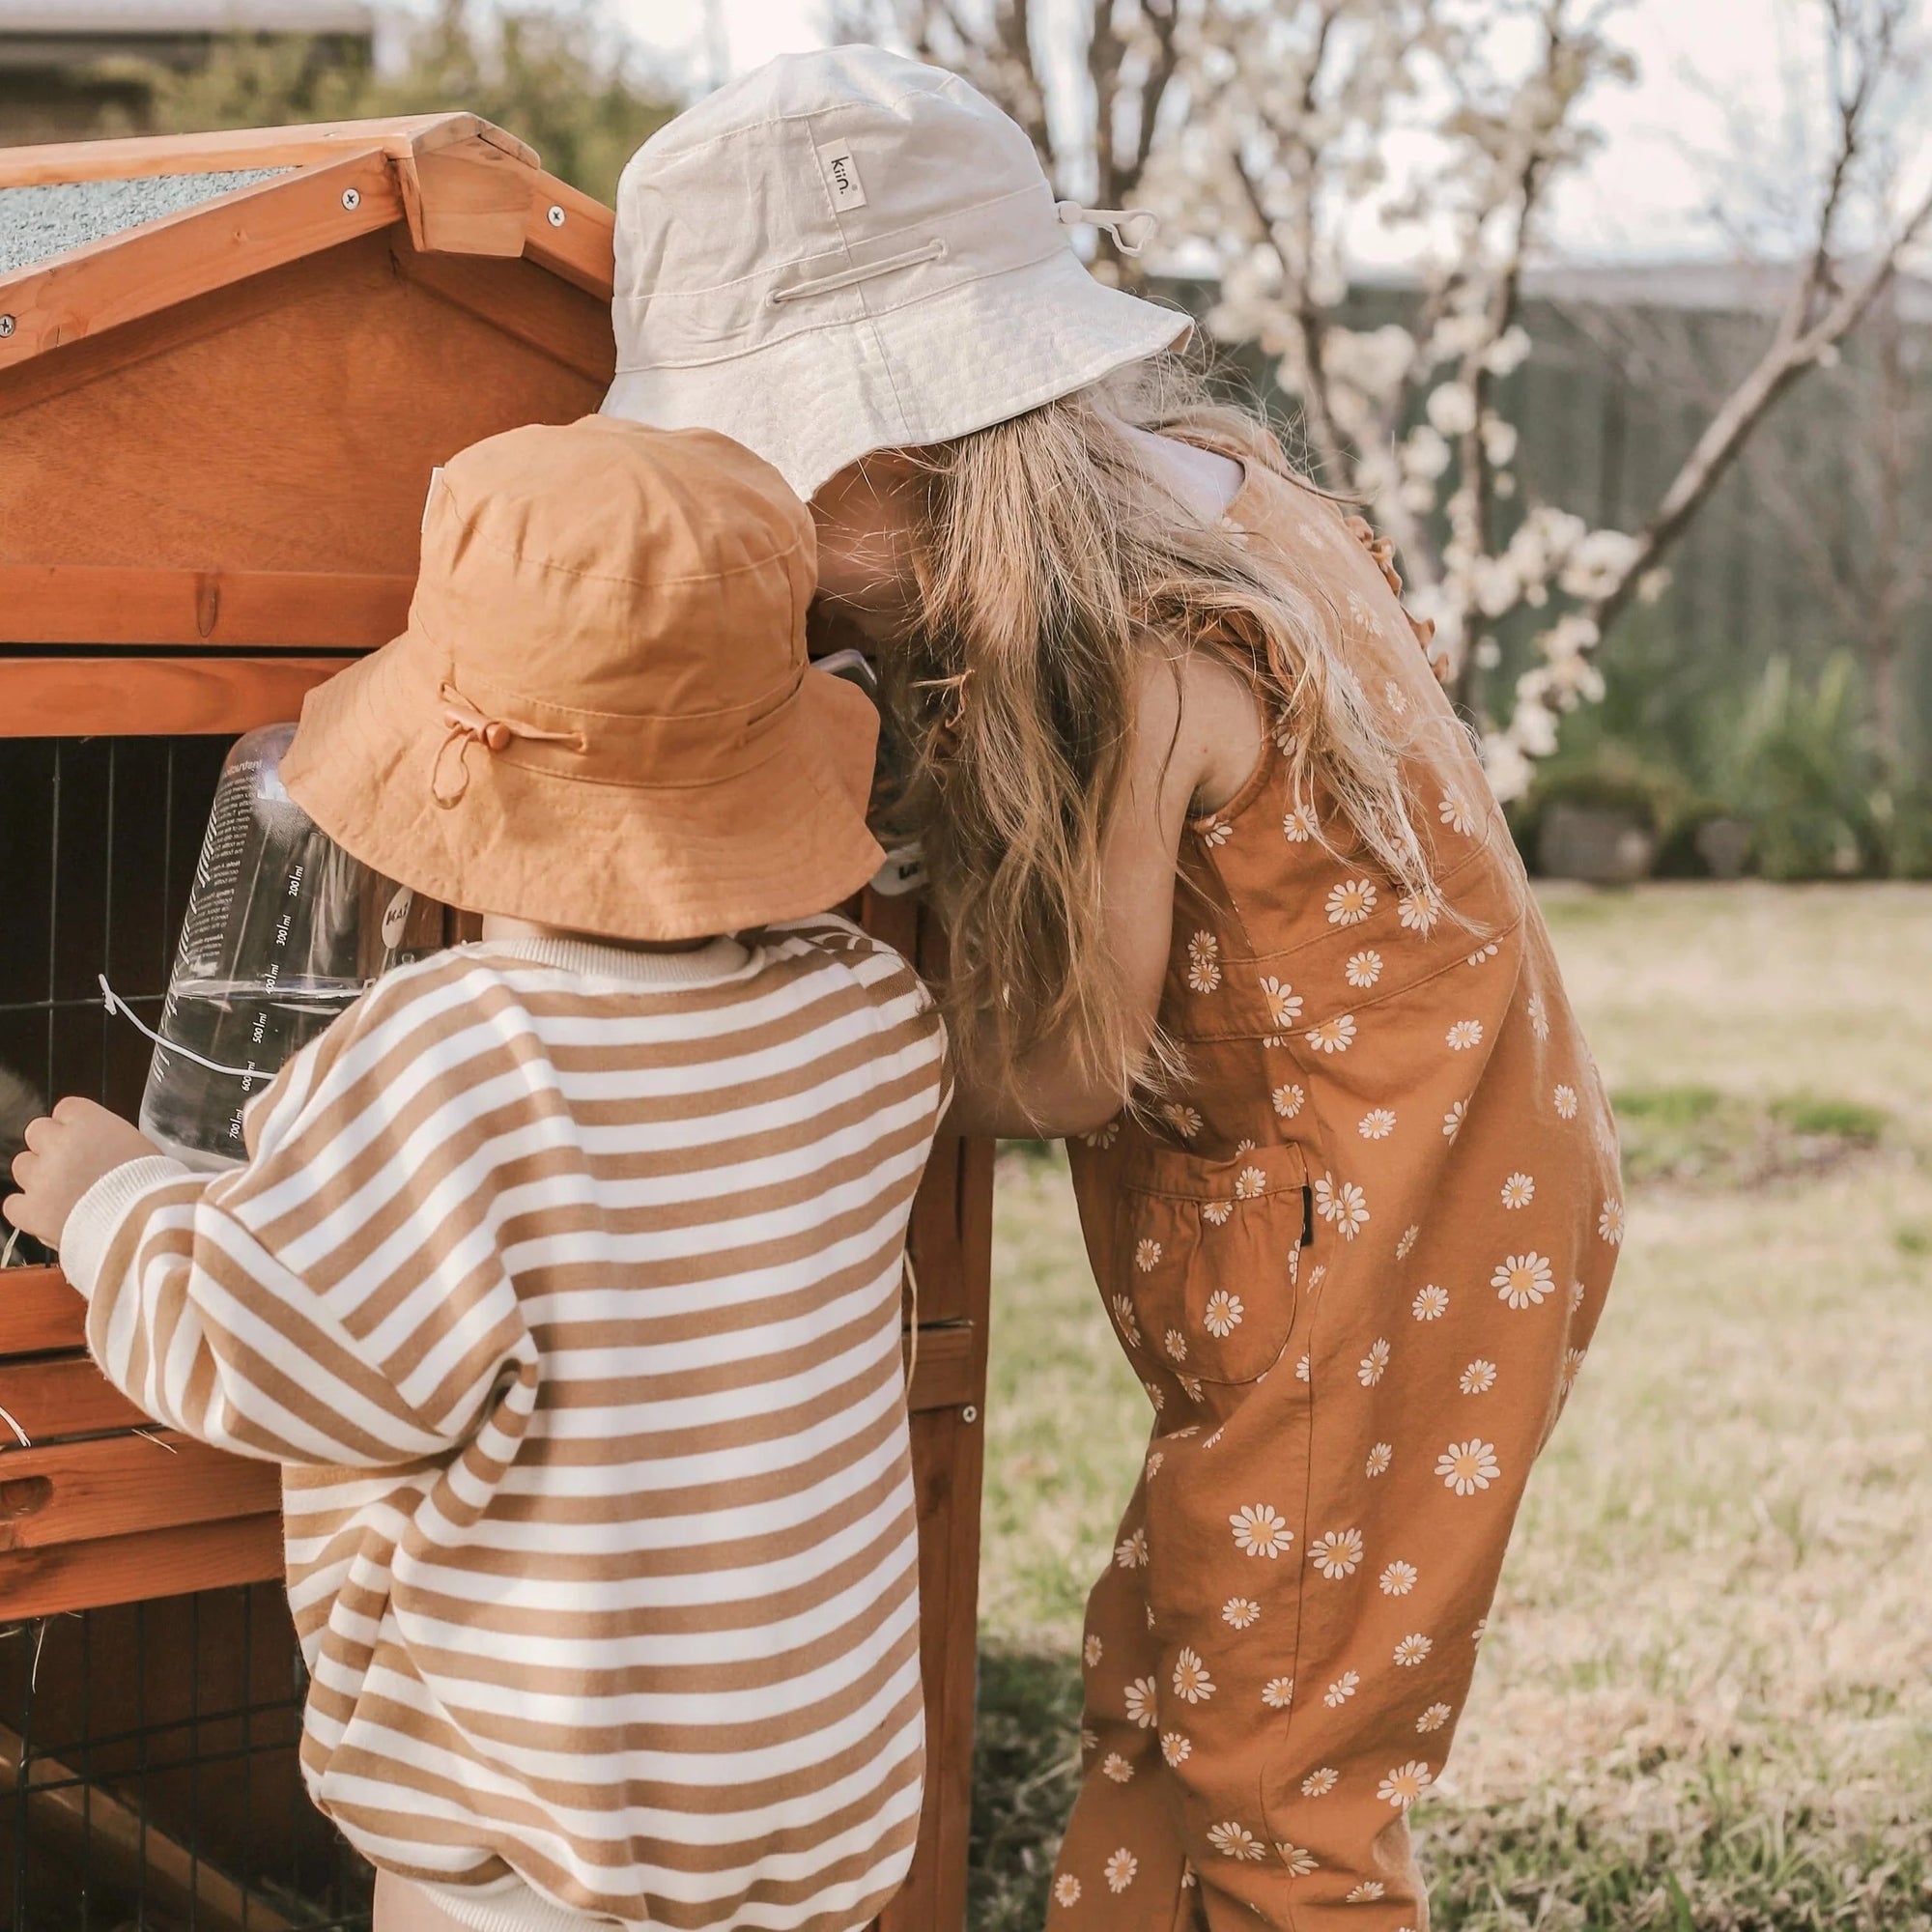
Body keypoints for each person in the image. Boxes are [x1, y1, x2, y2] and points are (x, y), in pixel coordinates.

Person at [601, 45, 1624, 1931]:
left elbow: (1066, 1060)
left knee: (1283, 1788)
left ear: (897, 448)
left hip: (1370, 1250)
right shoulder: (1218, 494)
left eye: (757, 490)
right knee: (1167, 1679)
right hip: (1410, 1196)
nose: (761, 563)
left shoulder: (1142, 664)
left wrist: (806, 1045)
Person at [3, 418, 950, 1932]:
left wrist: (113, 1205)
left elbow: (282, 1346)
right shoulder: (871, 1024)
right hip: (809, 1810)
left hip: (533, 1846)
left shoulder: (447, 1060)